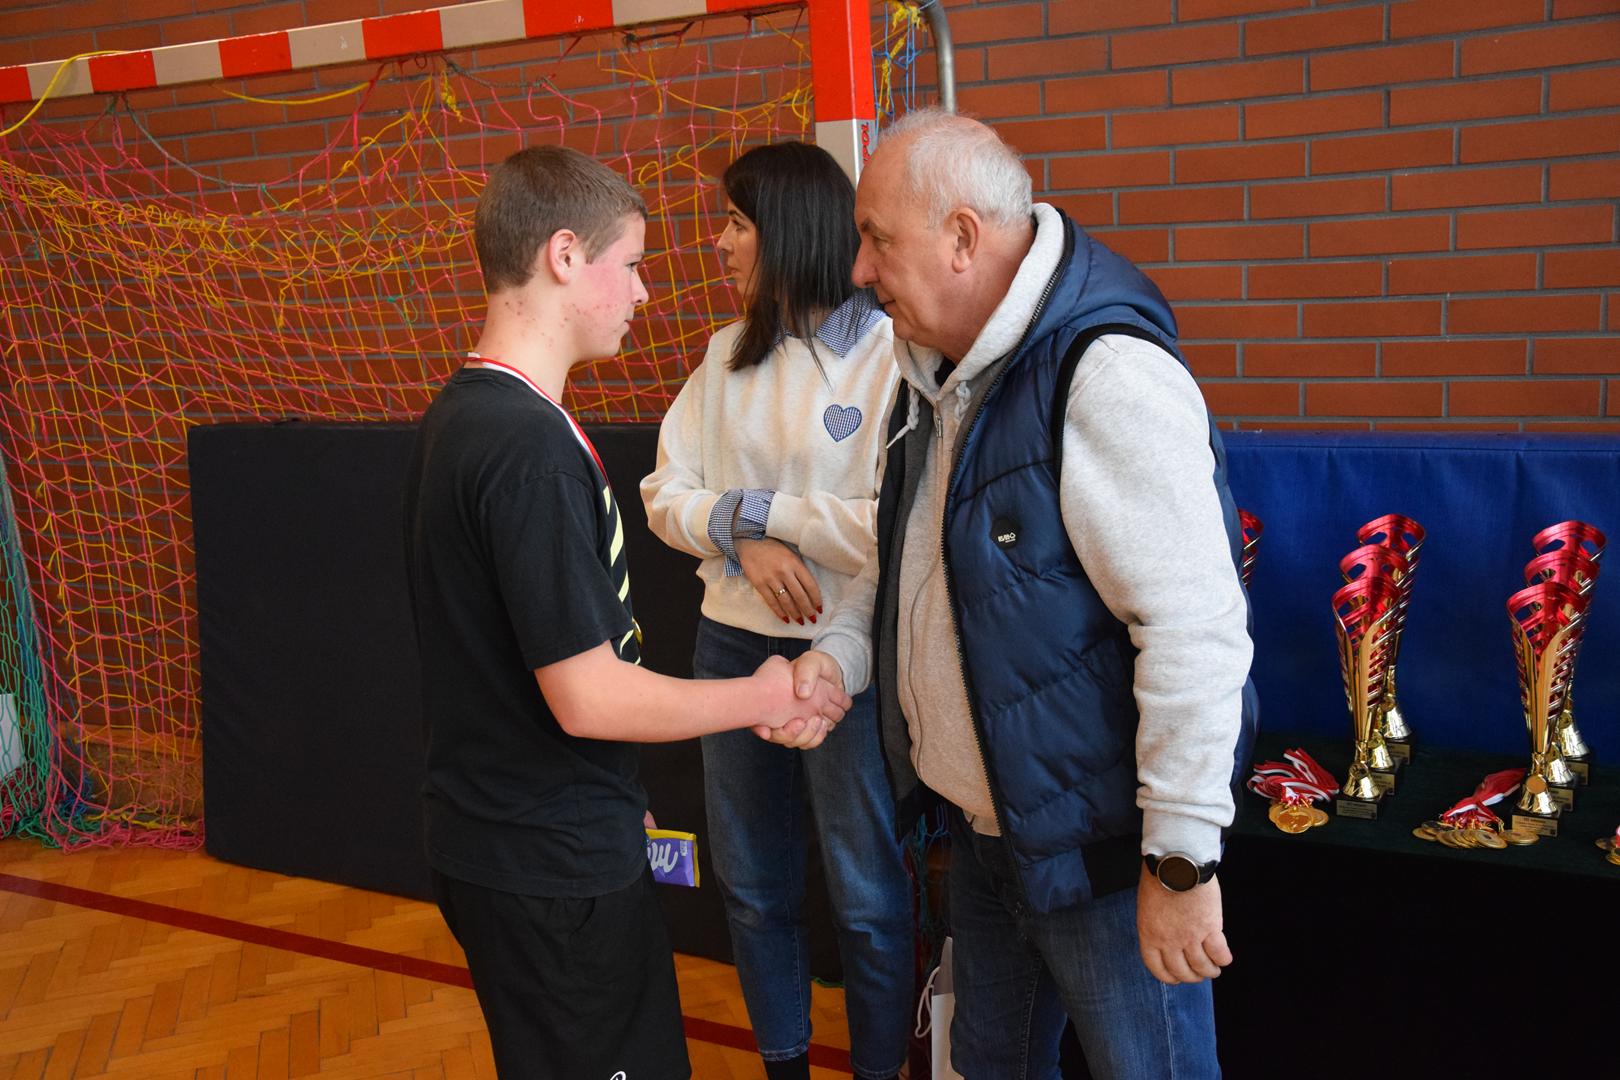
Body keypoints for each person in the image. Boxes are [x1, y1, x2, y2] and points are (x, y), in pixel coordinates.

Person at [793, 110, 1259, 1078]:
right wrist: (838, 660)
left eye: (878, 239)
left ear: (963, 238)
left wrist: (1178, 861)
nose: (860, 273)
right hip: (991, 835)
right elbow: (895, 562)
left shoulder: (1106, 374)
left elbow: (1194, 630)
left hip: (1100, 858)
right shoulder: (930, 375)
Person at [402, 145, 850, 1080]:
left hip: (524, 841)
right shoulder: (523, 448)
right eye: (633, 264)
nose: (645, 293)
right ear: (566, 256)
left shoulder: (475, 414)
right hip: (548, 866)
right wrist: (760, 694)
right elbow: (589, 697)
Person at [640, 141, 912, 1080]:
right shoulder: (723, 358)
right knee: (753, 888)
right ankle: (784, 1066)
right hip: (728, 650)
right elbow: (663, 496)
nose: (719, 244)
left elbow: (893, 531)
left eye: (738, 224)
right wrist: (741, 536)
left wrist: (772, 517)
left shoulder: (889, 359)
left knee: (869, 897)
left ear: (791, 232)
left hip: (844, 662)